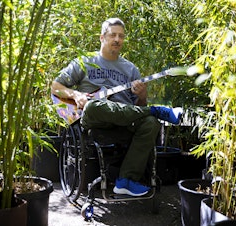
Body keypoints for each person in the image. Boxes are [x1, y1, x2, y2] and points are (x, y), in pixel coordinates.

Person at [51, 18, 183, 196]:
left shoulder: (131, 69)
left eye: (121, 36)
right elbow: (55, 86)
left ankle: (126, 180)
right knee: (93, 107)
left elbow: (138, 109)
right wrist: (76, 94)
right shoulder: (84, 61)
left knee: (151, 122)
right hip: (95, 121)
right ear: (102, 37)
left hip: (125, 123)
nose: (117, 39)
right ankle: (159, 111)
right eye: (112, 35)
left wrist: (142, 96)